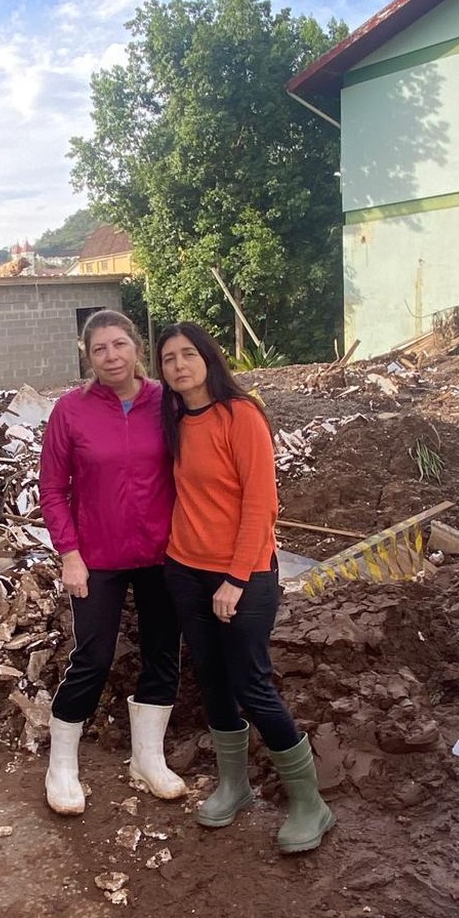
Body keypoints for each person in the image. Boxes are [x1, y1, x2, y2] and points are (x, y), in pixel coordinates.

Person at [156, 321, 334, 854]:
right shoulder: (171, 421)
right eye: (168, 358)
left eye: (189, 354)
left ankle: (310, 803)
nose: (180, 365)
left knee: (250, 682)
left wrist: (235, 578)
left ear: (209, 358)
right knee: (210, 678)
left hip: (245, 575)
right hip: (184, 568)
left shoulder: (241, 415)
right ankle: (235, 787)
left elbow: (261, 505)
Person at [38, 309, 186, 815]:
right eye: (99, 348)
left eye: (119, 344)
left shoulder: (166, 402)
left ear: (136, 347)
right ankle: (62, 767)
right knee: (94, 657)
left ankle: (148, 758)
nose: (111, 356)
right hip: (96, 557)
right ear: (88, 355)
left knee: (163, 652)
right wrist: (69, 554)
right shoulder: (70, 411)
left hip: (163, 553)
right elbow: (53, 490)